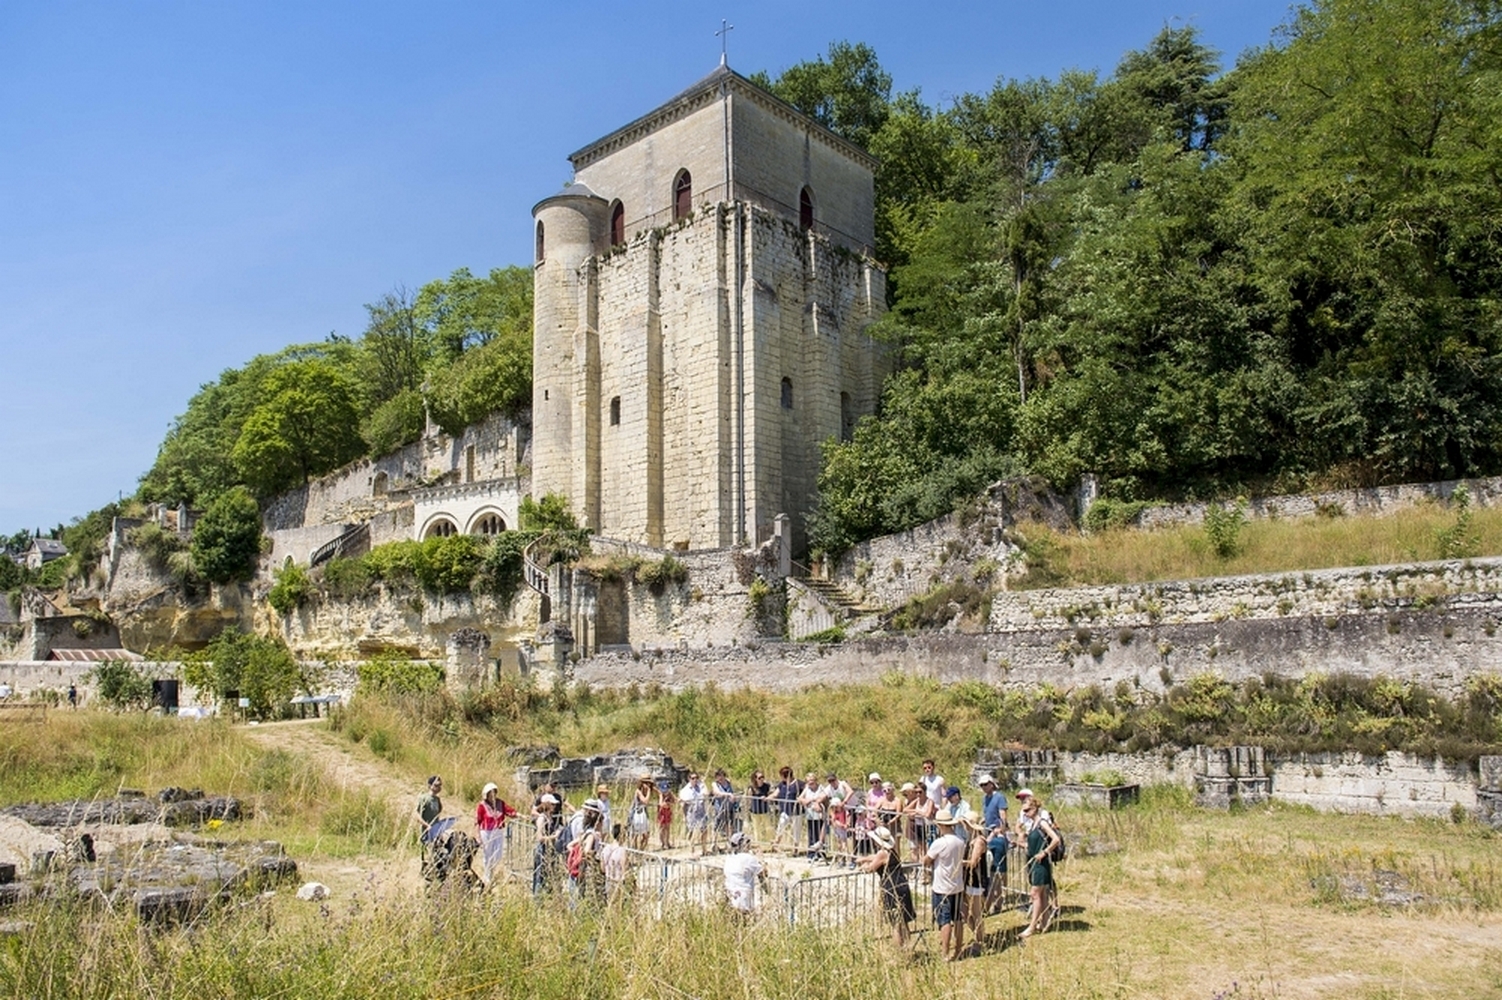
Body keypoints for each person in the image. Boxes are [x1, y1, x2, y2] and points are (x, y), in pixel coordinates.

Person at [859, 825, 913, 949]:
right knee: (903, 922)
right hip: (901, 885)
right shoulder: (892, 851)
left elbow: (871, 868)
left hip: (891, 888)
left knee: (896, 924)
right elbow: (876, 858)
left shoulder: (882, 853)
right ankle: (907, 948)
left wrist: (864, 866)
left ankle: (898, 951)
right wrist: (865, 858)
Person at [924, 812, 967, 962]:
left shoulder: (939, 843)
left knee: (945, 920)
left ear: (941, 825)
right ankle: (959, 948)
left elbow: (927, 860)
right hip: (957, 884)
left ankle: (945, 952)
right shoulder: (960, 840)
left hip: (942, 886)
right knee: (958, 918)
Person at [1020, 794, 1061, 939]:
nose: (1025, 813)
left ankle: (1032, 926)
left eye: (1027, 810)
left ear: (1035, 808)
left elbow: (1056, 839)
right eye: (1024, 811)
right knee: (1042, 894)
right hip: (1034, 861)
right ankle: (1044, 922)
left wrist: (1044, 852)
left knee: (1035, 894)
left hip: (1040, 863)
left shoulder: (1042, 823)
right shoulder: (1033, 824)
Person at [977, 773, 1010, 913]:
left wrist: (998, 831)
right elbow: (988, 815)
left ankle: (997, 900)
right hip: (988, 835)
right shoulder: (985, 799)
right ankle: (995, 899)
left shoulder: (999, 797)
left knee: (998, 872)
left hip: (998, 837)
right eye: (981, 785)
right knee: (992, 870)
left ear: (991, 783)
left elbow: (1003, 818)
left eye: (986, 784)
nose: (984, 787)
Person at [961, 810, 991, 954]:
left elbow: (973, 862)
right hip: (969, 879)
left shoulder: (979, 840)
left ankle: (980, 941)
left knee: (976, 912)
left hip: (976, 880)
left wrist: (957, 862)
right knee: (965, 910)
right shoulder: (971, 837)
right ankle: (978, 936)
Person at [474, 782, 516, 884]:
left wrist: (520, 815)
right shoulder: (481, 806)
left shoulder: (500, 803)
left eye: (494, 793)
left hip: (498, 830)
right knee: (487, 854)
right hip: (486, 831)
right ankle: (487, 875)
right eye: (490, 793)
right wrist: (478, 835)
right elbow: (477, 821)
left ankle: (492, 870)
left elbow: (509, 811)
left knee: (498, 854)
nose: (492, 795)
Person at [721, 831, 765, 915]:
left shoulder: (729, 858)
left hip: (730, 897)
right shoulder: (748, 858)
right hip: (743, 900)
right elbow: (763, 873)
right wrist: (761, 859)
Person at [533, 793, 563, 894]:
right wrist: (554, 836)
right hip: (542, 849)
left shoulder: (550, 818)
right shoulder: (542, 818)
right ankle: (537, 898)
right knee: (539, 875)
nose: (554, 807)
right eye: (552, 804)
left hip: (549, 848)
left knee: (548, 873)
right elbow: (540, 837)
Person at [771, 767, 803, 850]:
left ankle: (795, 848)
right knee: (781, 826)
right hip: (785, 810)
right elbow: (775, 794)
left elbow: (805, 792)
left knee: (796, 831)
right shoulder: (782, 784)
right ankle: (776, 844)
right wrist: (767, 798)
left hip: (796, 811)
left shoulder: (798, 784)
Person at [680, 772, 710, 854]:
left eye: (696, 778)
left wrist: (703, 783)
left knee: (704, 830)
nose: (695, 780)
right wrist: (684, 816)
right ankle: (691, 849)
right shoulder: (685, 790)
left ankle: (704, 849)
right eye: (693, 778)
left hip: (701, 811)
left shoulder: (700, 787)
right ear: (689, 779)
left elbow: (706, 794)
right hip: (691, 812)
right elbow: (683, 803)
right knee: (691, 831)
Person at [798, 772, 826, 858]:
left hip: (819, 815)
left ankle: (821, 854)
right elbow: (799, 798)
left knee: (820, 835)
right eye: (808, 781)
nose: (810, 782)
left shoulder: (821, 788)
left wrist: (811, 799)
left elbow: (823, 797)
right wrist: (804, 800)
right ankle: (811, 854)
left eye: (812, 780)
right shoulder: (807, 789)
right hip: (810, 815)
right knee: (811, 835)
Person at [710, 768, 738, 849]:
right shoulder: (715, 784)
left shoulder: (728, 782)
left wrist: (733, 797)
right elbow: (717, 793)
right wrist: (728, 794)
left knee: (729, 825)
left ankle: (729, 842)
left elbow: (732, 791)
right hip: (720, 807)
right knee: (717, 826)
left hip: (729, 807)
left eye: (721, 776)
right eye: (718, 776)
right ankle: (714, 843)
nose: (720, 778)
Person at [746, 769, 772, 843]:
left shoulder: (767, 786)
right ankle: (758, 844)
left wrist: (767, 798)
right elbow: (749, 799)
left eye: (762, 777)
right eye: (759, 778)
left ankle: (769, 843)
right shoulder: (751, 788)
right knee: (757, 829)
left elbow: (770, 794)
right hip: (755, 811)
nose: (761, 779)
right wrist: (748, 809)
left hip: (765, 810)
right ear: (755, 779)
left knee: (768, 828)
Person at [629, 778, 654, 850]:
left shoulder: (646, 792)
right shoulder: (638, 791)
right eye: (646, 783)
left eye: (649, 783)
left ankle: (641, 849)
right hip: (636, 814)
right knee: (635, 834)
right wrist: (649, 791)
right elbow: (645, 801)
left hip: (643, 814)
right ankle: (635, 849)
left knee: (646, 834)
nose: (648, 785)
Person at [656, 780, 677, 850]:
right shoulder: (661, 795)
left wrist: (670, 803)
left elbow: (675, 800)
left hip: (668, 812)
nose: (665, 792)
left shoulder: (670, 794)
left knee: (667, 827)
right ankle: (662, 843)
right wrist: (666, 804)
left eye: (666, 790)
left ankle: (667, 842)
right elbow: (660, 804)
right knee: (662, 828)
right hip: (661, 813)